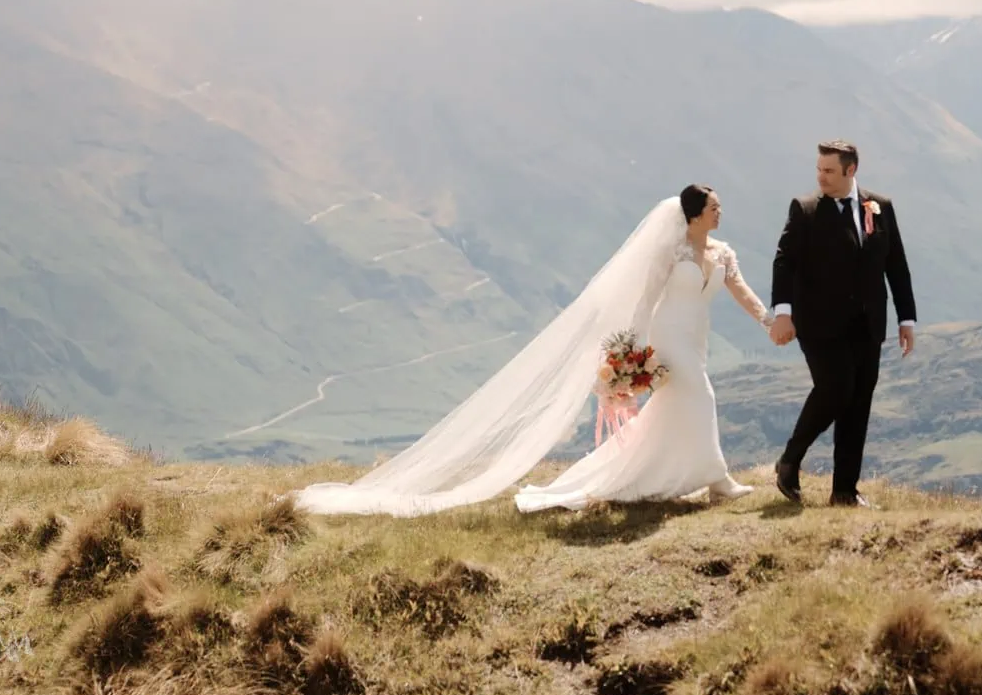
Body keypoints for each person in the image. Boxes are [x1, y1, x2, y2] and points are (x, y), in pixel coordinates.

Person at [288, 185, 767, 516]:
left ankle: (659, 474)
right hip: (668, 338)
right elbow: (643, 301)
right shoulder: (672, 252)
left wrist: (769, 319)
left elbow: (741, 290)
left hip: (696, 339)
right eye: (713, 206)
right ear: (694, 213)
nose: (719, 212)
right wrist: (632, 354)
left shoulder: (721, 253)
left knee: (675, 410)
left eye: (719, 207)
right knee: (700, 398)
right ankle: (718, 481)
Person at [767, 140, 917, 508]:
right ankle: (790, 459)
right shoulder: (804, 210)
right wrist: (782, 313)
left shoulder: (880, 207)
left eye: (829, 170)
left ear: (851, 171)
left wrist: (906, 318)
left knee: (858, 402)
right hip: (819, 323)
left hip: (868, 324)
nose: (821, 177)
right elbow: (784, 261)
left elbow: (895, 264)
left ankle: (845, 491)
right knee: (836, 388)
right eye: (819, 169)